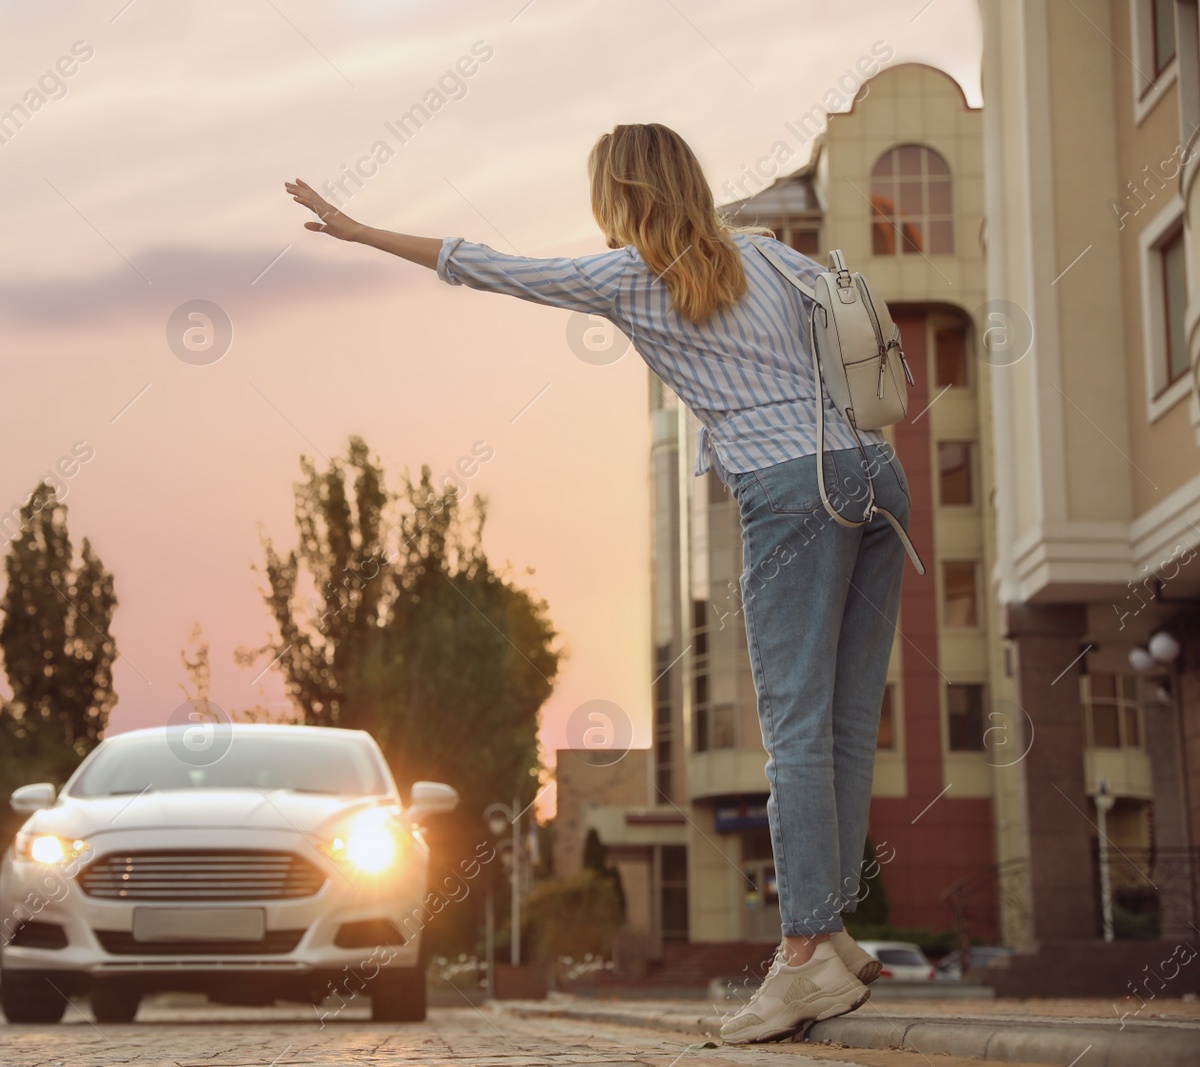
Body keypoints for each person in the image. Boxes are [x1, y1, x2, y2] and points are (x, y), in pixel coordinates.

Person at [284, 121, 909, 1044]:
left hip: (793, 490)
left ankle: (804, 953)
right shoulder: (770, 255)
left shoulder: (628, 276)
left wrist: (360, 230)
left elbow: (485, 263)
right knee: (847, 722)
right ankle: (833, 929)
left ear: (617, 196)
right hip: (875, 478)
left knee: (793, 732)